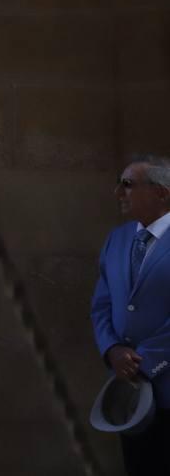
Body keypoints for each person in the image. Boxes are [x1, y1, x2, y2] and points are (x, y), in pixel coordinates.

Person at [90, 155, 170, 475]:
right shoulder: (118, 238)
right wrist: (111, 349)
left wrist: (142, 361)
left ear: (161, 192)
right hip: (128, 394)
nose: (117, 192)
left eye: (127, 184)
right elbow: (101, 304)